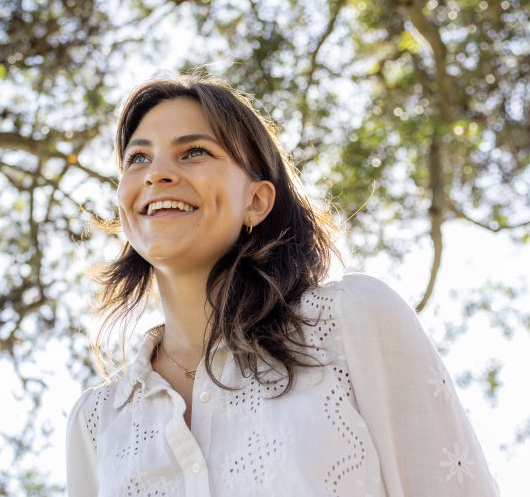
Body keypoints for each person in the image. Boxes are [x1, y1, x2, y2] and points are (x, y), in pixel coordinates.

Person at [65, 73, 499, 496]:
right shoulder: (95, 422)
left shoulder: (350, 321)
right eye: (137, 158)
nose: (156, 173)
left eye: (194, 151)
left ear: (256, 201)